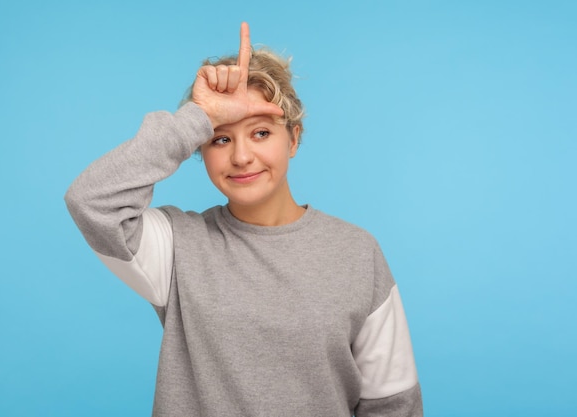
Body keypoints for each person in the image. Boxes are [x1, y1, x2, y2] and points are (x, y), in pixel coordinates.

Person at [65, 22, 423, 417]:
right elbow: (91, 201)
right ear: (199, 148)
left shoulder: (357, 253)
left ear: (294, 138)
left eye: (261, 133)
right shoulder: (177, 247)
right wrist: (196, 117)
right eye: (220, 138)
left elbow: (393, 405)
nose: (240, 157)